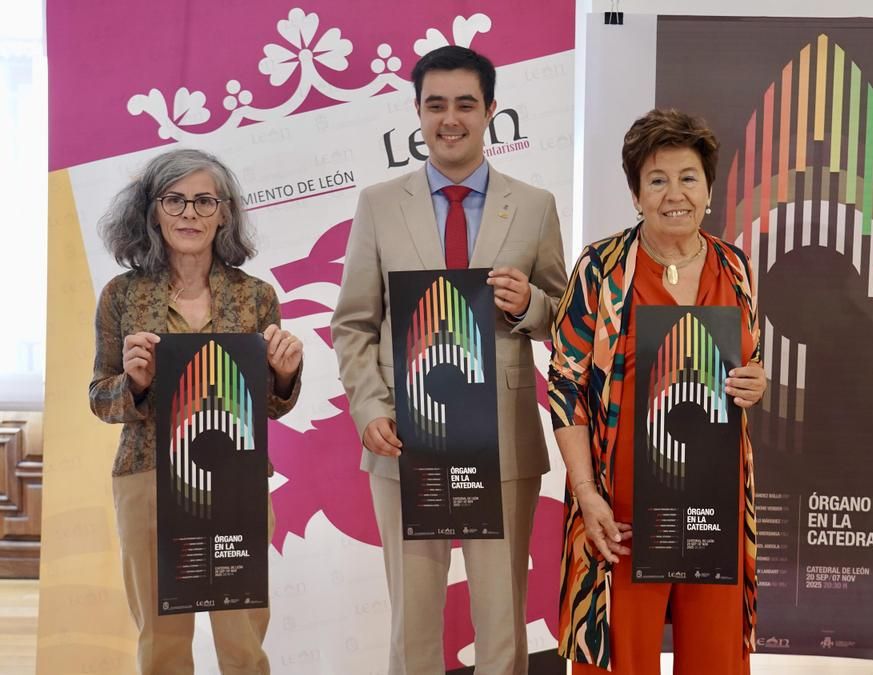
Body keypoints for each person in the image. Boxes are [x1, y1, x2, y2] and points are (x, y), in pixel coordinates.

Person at [330, 45, 567, 675]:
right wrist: (371, 408)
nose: (450, 118)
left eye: (466, 103)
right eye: (436, 105)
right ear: (418, 112)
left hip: (503, 440)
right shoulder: (379, 204)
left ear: (491, 110)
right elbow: (353, 323)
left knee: (502, 618)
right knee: (412, 618)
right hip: (406, 438)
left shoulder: (535, 204)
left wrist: (529, 306)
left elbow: (567, 320)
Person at [548, 108, 766, 674]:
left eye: (688, 177)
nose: (675, 193)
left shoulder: (736, 267)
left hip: (711, 508)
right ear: (636, 193)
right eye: (657, 179)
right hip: (618, 515)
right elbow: (566, 385)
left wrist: (755, 381)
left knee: (716, 662)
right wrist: (585, 493)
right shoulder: (601, 267)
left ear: (710, 189)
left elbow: (750, 363)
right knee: (623, 663)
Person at [89, 148, 304, 673]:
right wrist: (135, 384)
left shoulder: (256, 296)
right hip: (147, 477)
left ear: (224, 211)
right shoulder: (122, 295)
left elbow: (272, 405)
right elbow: (100, 396)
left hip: (236, 480)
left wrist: (284, 373)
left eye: (203, 201)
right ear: (152, 210)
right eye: (175, 200)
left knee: (243, 639)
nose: (189, 214)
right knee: (161, 642)